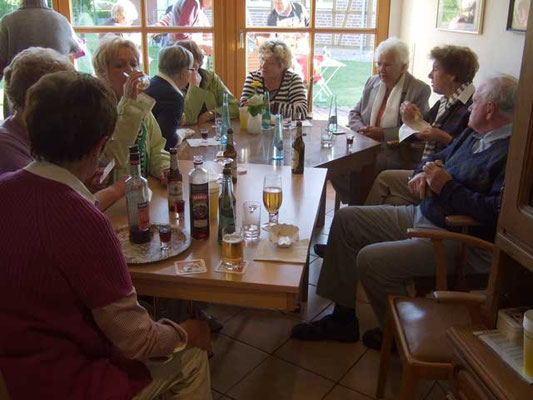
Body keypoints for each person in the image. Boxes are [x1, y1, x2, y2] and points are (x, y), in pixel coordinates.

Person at [0, 70, 211, 399]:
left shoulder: (8, 187)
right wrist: (186, 332)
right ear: (100, 145)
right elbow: (138, 339)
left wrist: (85, 192)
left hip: (10, 370)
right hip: (61, 381)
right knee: (193, 358)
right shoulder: (82, 221)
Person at [291, 75, 517, 351]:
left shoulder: (512, 155)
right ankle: (343, 319)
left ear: (490, 109)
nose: (470, 108)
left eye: (477, 102)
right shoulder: (473, 133)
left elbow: (495, 213)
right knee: (347, 219)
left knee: (371, 260)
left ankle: (397, 337)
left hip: (455, 239)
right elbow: (436, 159)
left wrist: (445, 186)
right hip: (425, 213)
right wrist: (425, 173)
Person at [0, 47, 124, 211]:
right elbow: (53, 205)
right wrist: (117, 190)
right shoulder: (6, 148)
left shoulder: (33, 133)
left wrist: (79, 182)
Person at [364, 45, 479, 206]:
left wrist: (442, 137)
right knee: (392, 199)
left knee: (384, 181)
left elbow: (470, 155)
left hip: (444, 179)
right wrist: (410, 119)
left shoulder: (473, 107)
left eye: (435, 69)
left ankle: (362, 221)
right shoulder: (444, 101)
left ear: (452, 75)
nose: (430, 75)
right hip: (426, 171)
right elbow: (422, 131)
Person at [332, 37, 431, 205]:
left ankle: (358, 207)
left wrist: (383, 133)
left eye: (387, 65)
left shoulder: (419, 90)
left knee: (360, 167)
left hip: (393, 150)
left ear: (403, 66)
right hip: (363, 142)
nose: (381, 70)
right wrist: (362, 128)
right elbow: (354, 112)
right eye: (379, 64)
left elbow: (418, 130)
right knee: (333, 164)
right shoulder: (373, 82)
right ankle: (358, 202)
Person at [92, 36, 170, 181]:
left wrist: (164, 168)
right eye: (119, 65)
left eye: (134, 64)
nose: (130, 71)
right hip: (113, 195)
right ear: (101, 72)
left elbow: (156, 148)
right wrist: (129, 103)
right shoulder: (95, 107)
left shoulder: (140, 103)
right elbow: (111, 158)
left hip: (141, 191)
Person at [0, 0, 82, 117]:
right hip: (58, 97)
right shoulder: (61, 20)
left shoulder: (8, 21)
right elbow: (78, 52)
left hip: (20, 103)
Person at [240, 38, 308, 119]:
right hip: (257, 129)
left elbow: (301, 111)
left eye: (269, 63)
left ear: (281, 65)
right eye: (262, 60)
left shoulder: (292, 80)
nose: (263, 65)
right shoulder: (253, 77)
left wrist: (270, 106)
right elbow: (244, 107)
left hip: (284, 130)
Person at [177, 39, 239, 125]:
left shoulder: (210, 78)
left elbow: (235, 107)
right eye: (187, 67)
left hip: (211, 132)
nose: (191, 71)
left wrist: (212, 114)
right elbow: (187, 119)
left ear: (199, 62)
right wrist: (194, 86)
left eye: (194, 66)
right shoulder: (174, 83)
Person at [144, 45, 194, 150]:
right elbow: (167, 141)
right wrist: (181, 134)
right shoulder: (173, 97)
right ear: (183, 73)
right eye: (191, 69)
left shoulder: (149, 84)